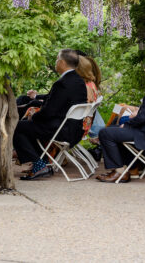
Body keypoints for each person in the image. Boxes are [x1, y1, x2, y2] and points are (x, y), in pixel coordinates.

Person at [97, 54, 145, 183]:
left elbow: (144, 117)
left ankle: (120, 171)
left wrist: (128, 124)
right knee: (113, 129)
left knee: (105, 133)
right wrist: (135, 116)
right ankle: (128, 168)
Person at [12, 49, 88, 180]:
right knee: (28, 127)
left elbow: (49, 111)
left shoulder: (63, 83)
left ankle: (39, 164)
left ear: (63, 63)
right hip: (74, 128)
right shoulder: (78, 80)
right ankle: (42, 162)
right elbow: (53, 98)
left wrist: (33, 116)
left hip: (61, 130)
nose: (56, 62)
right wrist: (36, 98)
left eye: (57, 59)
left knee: (18, 127)